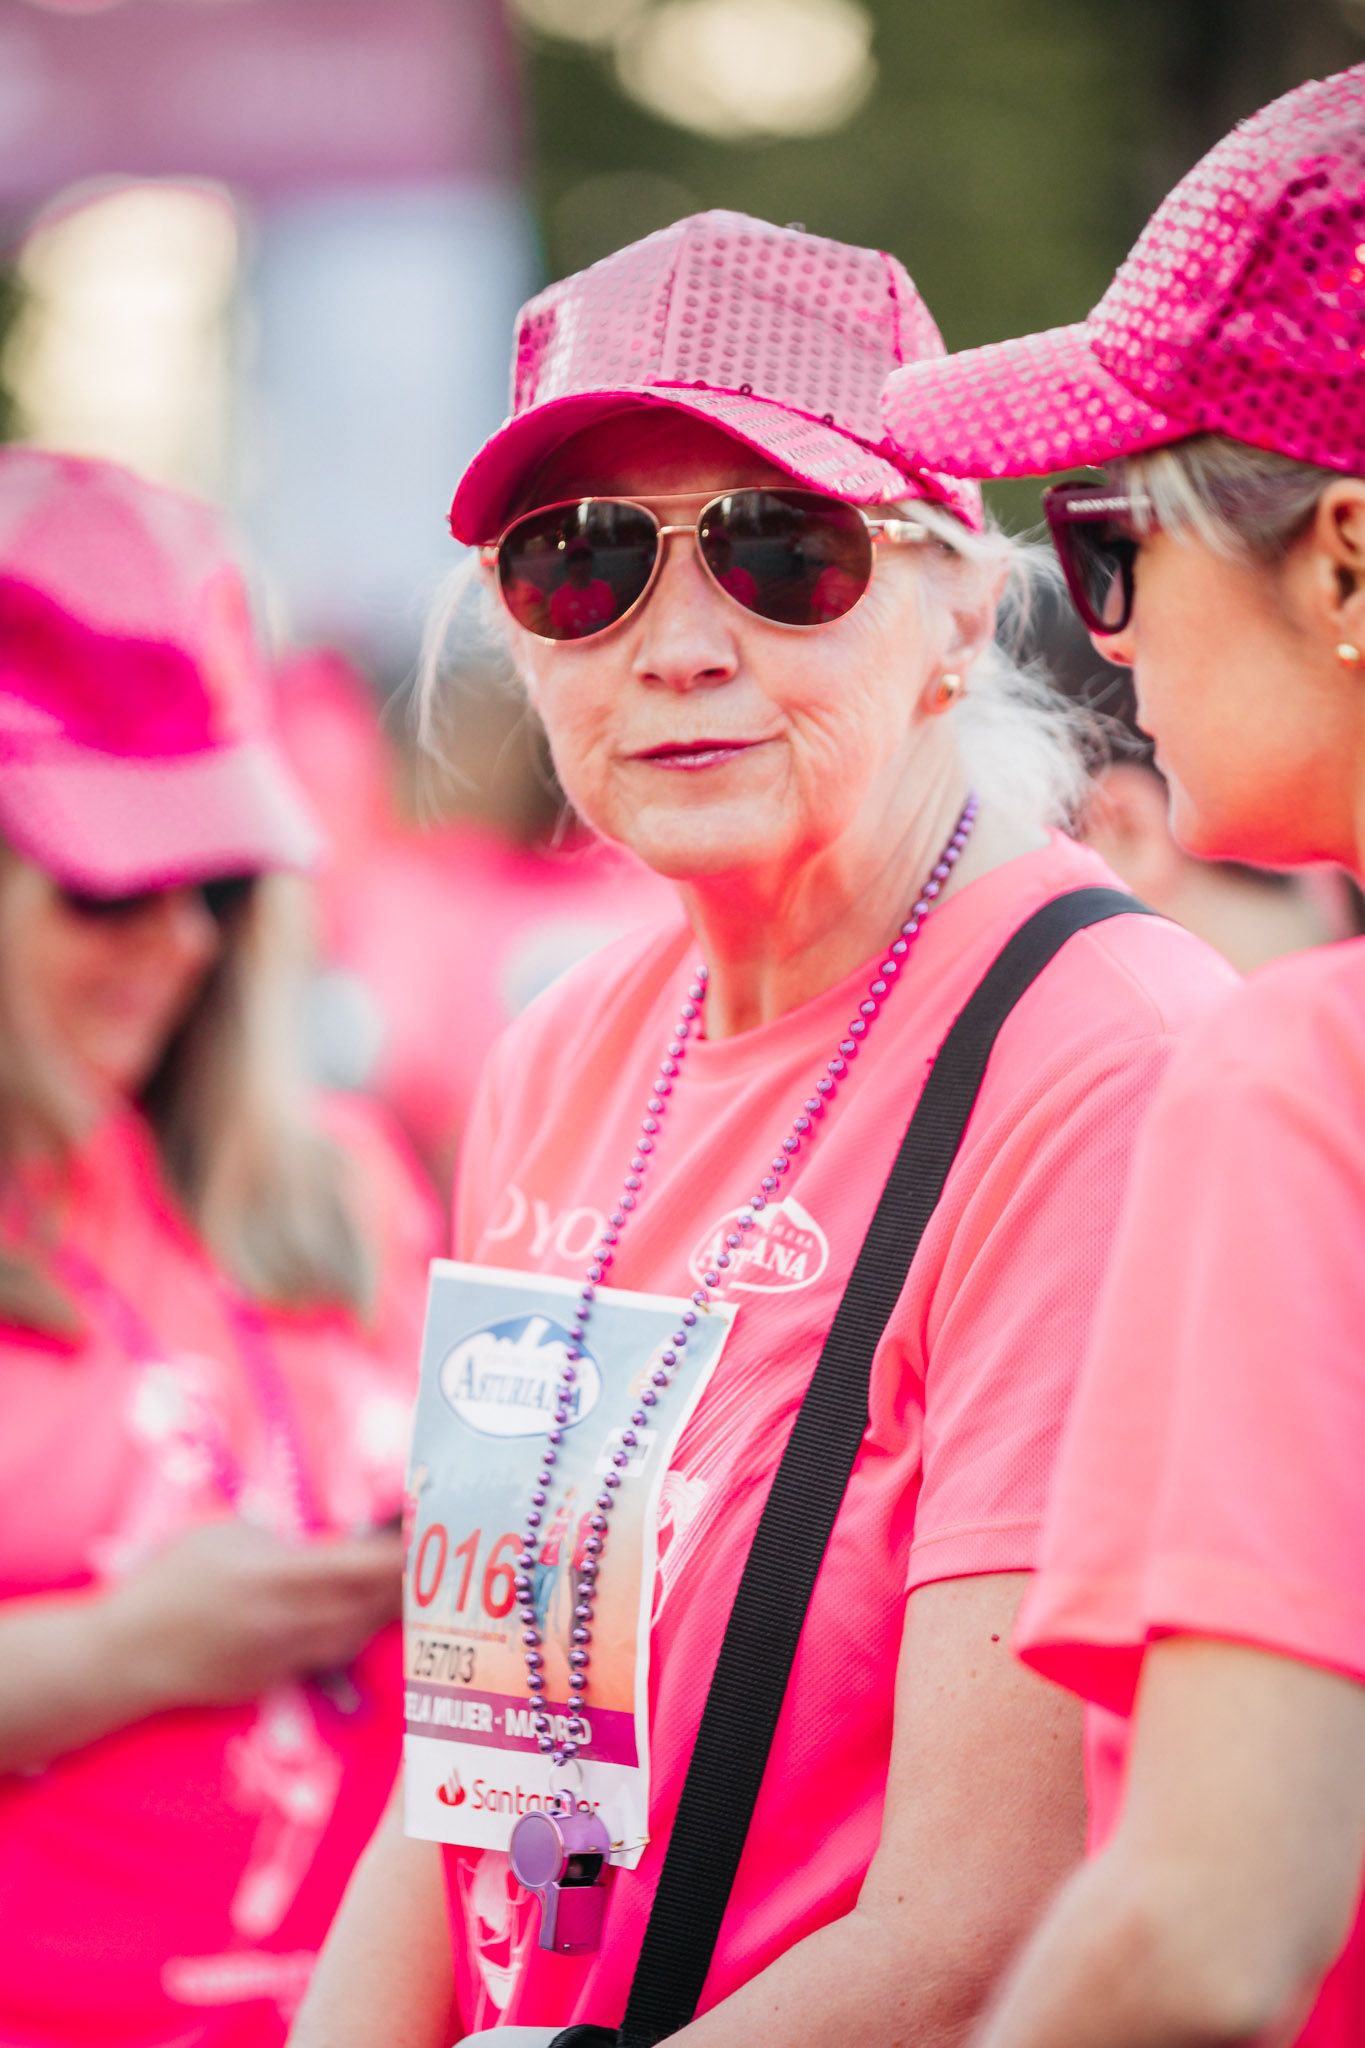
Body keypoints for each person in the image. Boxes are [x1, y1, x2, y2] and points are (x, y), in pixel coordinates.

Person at [291, 210, 1234, 2048]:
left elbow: (987, 1920)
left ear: (959, 600)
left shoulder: (1098, 1058)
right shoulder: (560, 1056)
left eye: (782, 554)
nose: (677, 646)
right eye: (581, 567)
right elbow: (472, 1761)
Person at [880, 62, 1365, 2048]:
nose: (1100, 639)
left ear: (1343, 560)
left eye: (1104, 544)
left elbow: (1196, 1926)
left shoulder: (1297, 1081)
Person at [0, 448, 441, 2047]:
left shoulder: (339, 1179)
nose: (182, 942)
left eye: (219, 882)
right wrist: (121, 1650)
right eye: (114, 885)